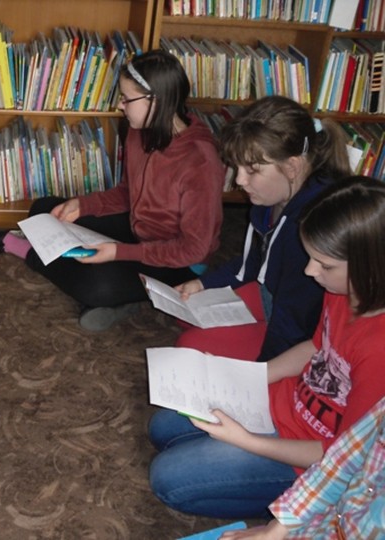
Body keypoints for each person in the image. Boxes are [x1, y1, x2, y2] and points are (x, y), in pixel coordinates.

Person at [148, 176, 385, 519]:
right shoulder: (344, 291)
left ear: (371, 266)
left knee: (168, 480)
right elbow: (314, 348)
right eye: (311, 257)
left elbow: (341, 458)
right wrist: (246, 375)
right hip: (287, 404)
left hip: (313, 459)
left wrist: (246, 440)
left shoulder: (378, 348)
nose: (309, 270)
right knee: (162, 428)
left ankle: (304, 511)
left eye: (325, 265)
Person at [0, 50, 225, 331]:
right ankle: (130, 293)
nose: (120, 105)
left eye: (126, 98)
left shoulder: (200, 161)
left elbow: (192, 249)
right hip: (138, 228)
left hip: (178, 262)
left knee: (97, 287)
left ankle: (31, 253)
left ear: (155, 101)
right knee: (44, 209)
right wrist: (82, 205)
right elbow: (127, 193)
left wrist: (119, 253)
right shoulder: (138, 129)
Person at [175, 96, 351, 362]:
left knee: (189, 346)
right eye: (237, 167)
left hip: (301, 329)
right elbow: (255, 258)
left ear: (292, 166)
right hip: (272, 293)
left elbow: (293, 321)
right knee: (187, 310)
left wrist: (262, 371)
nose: (239, 180)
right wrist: (203, 282)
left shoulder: (312, 228)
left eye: (252, 170)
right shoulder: (269, 197)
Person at [220, 396, 385, 539]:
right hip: (324, 521)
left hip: (298, 455)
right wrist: (276, 530)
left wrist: (247, 440)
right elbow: (340, 462)